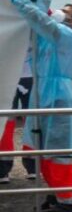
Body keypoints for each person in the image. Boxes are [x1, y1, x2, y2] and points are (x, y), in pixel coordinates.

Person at [7, 0, 72, 212]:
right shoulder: (49, 39)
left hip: (58, 98)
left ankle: (66, 203)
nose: (62, 13)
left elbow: (41, 19)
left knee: (59, 153)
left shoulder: (68, 38)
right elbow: (39, 18)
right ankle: (54, 194)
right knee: (41, 150)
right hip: (42, 96)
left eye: (68, 14)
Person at [0, 45, 36, 184]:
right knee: (6, 122)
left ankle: (32, 165)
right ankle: (3, 168)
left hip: (30, 76)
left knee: (32, 122)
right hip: (7, 76)